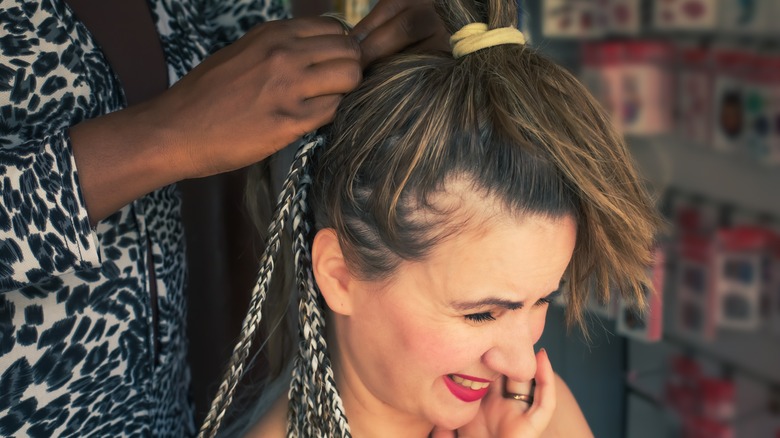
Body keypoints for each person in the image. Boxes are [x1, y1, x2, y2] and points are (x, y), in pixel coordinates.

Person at [213, 0, 665, 437]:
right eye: (481, 314)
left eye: (543, 300)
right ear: (341, 274)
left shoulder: (533, 417)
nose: (523, 363)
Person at [0, 0, 448, 436]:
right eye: (479, 313)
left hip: (168, 409)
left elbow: (253, 53)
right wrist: (165, 134)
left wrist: (369, 59)